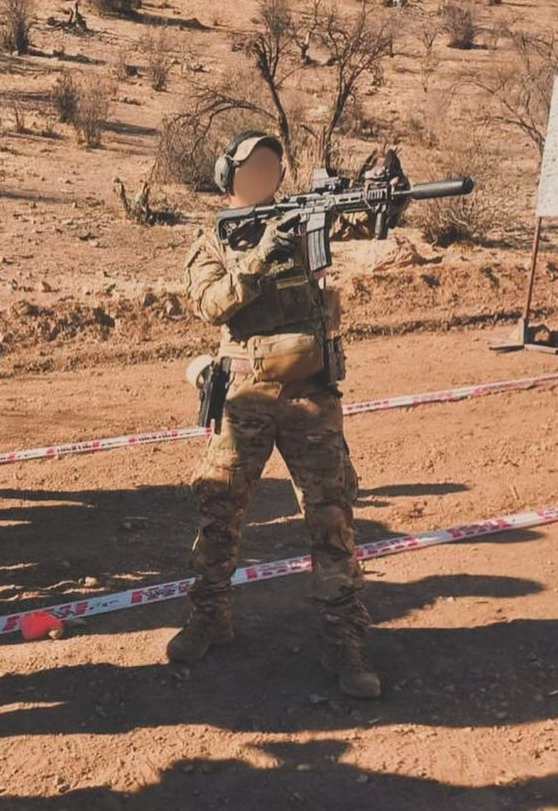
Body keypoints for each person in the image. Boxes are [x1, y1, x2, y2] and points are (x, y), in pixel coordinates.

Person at [168, 131, 383, 699]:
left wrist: (381, 198)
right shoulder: (216, 237)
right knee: (220, 509)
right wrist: (259, 256)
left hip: (312, 395)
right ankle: (209, 615)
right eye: (251, 166)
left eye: (271, 165)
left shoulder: (304, 221)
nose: (263, 175)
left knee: (331, 515)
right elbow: (209, 304)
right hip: (248, 395)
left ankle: (345, 640)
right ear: (228, 176)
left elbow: (361, 224)